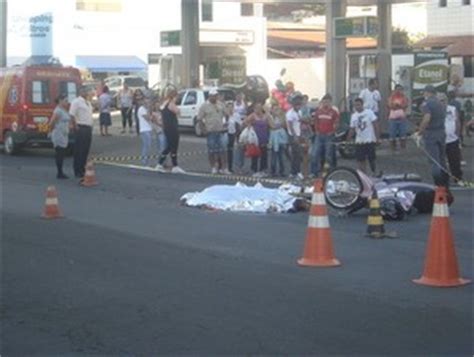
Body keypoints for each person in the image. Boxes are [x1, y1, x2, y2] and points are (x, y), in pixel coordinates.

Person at [416, 85, 449, 187]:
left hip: (431, 133)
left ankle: (438, 184)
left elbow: (427, 118)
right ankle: (445, 181)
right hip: (441, 132)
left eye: (424, 93)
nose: (424, 95)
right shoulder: (441, 103)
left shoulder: (427, 103)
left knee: (434, 160)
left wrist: (420, 132)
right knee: (442, 159)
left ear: (427, 92)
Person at [197, 89, 230, 175]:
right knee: (211, 150)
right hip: (210, 131)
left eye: (216, 95)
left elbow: (227, 114)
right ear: (209, 96)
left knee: (223, 150)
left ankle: (224, 168)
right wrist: (203, 129)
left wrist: (226, 123)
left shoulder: (220, 104)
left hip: (221, 131)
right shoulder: (204, 106)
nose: (215, 97)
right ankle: (213, 167)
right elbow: (199, 119)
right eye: (213, 96)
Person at [348, 98, 380, 175]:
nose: (357, 107)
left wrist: (378, 137)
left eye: (358, 105)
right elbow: (352, 129)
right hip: (359, 141)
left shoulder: (369, 113)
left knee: (372, 159)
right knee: (360, 160)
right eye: (355, 105)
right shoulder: (354, 116)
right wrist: (348, 139)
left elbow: (375, 124)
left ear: (362, 105)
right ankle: (363, 175)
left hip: (370, 139)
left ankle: (374, 172)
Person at [310, 94, 339, 177]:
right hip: (319, 136)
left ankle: (327, 173)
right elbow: (315, 122)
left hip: (329, 136)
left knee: (328, 156)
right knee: (314, 154)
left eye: (328, 102)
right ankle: (313, 172)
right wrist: (316, 131)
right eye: (324, 101)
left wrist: (333, 131)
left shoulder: (334, 112)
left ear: (330, 102)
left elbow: (336, 123)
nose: (326, 103)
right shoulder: (318, 112)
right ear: (322, 102)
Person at [156, 89, 185, 173]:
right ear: (174, 96)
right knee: (174, 146)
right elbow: (178, 112)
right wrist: (178, 110)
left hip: (167, 127)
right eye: (177, 97)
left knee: (169, 146)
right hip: (172, 127)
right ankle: (174, 166)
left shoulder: (164, 104)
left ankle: (161, 163)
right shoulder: (171, 104)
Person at [69, 85, 94, 180]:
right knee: (79, 150)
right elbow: (72, 115)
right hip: (81, 127)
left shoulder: (88, 102)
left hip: (88, 127)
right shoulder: (76, 102)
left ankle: (83, 168)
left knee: (85, 149)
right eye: (85, 91)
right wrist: (75, 126)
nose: (87, 93)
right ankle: (77, 170)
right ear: (80, 92)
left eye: (87, 91)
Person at [439, 94, 463, 184]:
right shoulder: (436, 110)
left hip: (452, 139)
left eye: (443, 100)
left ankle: (457, 178)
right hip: (440, 140)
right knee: (441, 161)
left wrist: (457, 133)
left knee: (454, 160)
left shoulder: (452, 109)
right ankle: (443, 179)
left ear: (447, 101)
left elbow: (457, 121)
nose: (442, 102)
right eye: (440, 100)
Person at [49, 93, 73, 179]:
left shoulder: (64, 110)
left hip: (64, 134)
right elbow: (51, 123)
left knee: (62, 154)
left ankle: (60, 172)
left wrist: (69, 126)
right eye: (65, 101)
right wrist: (52, 132)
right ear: (60, 101)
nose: (67, 102)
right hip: (58, 134)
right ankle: (59, 173)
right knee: (60, 154)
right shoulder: (58, 111)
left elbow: (67, 120)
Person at [245, 102, 271, 177]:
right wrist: (250, 126)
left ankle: (263, 169)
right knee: (255, 154)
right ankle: (254, 170)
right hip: (255, 137)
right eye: (256, 108)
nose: (258, 110)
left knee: (264, 154)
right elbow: (245, 121)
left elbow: (270, 123)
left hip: (264, 136)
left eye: (260, 108)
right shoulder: (253, 115)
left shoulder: (266, 115)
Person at [286, 94, 304, 179]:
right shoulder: (290, 113)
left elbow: (299, 123)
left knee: (297, 154)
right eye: (297, 104)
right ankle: (296, 172)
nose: (299, 106)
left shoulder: (299, 112)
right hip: (293, 136)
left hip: (298, 134)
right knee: (296, 154)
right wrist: (295, 136)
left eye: (300, 104)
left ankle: (294, 172)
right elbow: (290, 125)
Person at [228, 93, 246, 173]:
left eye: (231, 107)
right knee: (229, 151)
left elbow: (240, 125)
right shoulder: (225, 115)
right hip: (228, 134)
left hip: (237, 134)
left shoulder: (237, 114)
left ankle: (239, 167)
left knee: (239, 150)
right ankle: (228, 167)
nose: (230, 109)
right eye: (229, 107)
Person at [388, 84, 409, 153]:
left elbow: (405, 105)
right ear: (394, 90)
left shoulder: (404, 97)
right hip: (393, 119)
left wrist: (398, 105)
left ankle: (403, 149)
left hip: (402, 118)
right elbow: (390, 106)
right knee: (392, 135)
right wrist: (398, 106)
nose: (398, 91)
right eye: (397, 89)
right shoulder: (391, 97)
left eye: (400, 89)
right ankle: (392, 149)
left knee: (403, 134)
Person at [269, 102, 288, 177]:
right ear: (272, 110)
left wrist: (278, 125)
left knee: (281, 156)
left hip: (281, 139)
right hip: (274, 139)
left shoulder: (283, 116)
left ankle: (282, 171)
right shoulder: (270, 117)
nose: (276, 111)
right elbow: (272, 126)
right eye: (275, 109)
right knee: (273, 156)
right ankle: (273, 172)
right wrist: (279, 126)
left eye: (278, 109)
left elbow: (284, 124)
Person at [137, 98, 153, 166]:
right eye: (147, 102)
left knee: (148, 146)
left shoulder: (146, 109)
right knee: (146, 146)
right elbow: (148, 118)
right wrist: (149, 110)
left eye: (149, 102)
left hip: (148, 129)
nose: (148, 104)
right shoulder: (141, 109)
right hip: (144, 130)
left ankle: (146, 160)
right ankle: (144, 161)